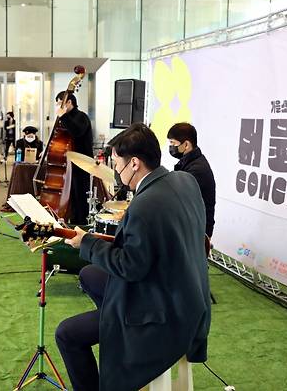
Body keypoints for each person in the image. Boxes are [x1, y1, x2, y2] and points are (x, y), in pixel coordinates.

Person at [54, 123, 211, 391]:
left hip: (163, 313)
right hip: (190, 297)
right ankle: (111, 318)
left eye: (117, 163)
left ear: (135, 163)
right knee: (89, 274)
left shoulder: (145, 205)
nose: (115, 170)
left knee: (67, 334)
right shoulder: (184, 180)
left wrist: (86, 243)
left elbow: (130, 267)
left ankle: (116, 333)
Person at [167, 122, 216, 241]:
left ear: (186, 144)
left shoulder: (196, 170)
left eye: (173, 143)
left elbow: (177, 200)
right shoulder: (190, 163)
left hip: (196, 233)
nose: (171, 147)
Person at [55, 91, 93, 225]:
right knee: (72, 195)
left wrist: (63, 116)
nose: (58, 106)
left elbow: (76, 132)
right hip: (69, 162)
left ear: (69, 102)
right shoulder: (66, 117)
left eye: (60, 103)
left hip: (82, 162)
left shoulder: (81, 117)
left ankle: (82, 223)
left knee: (80, 194)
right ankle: (72, 220)